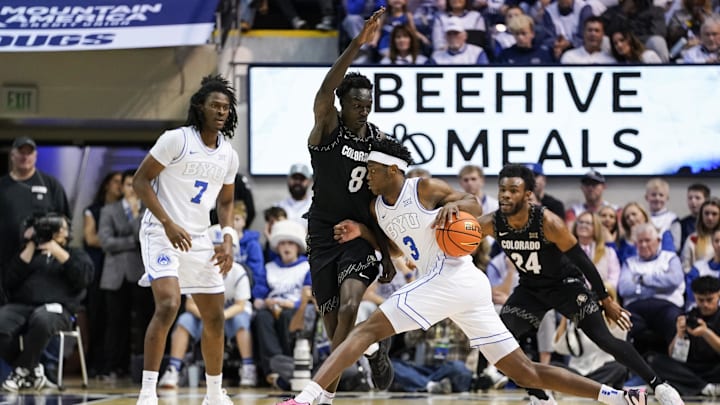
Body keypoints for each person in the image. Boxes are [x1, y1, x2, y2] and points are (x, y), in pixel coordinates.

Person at [277, 138, 648, 405]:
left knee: (365, 329)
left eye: (372, 169)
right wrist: (365, 234)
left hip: (450, 275)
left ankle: (308, 399)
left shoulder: (422, 187)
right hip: (463, 287)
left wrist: (456, 207)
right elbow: (395, 243)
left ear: (392, 168)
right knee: (524, 371)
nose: (367, 176)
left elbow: (470, 199)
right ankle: (617, 397)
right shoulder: (376, 209)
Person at [478, 164, 684, 405]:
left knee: (603, 338)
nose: (505, 195)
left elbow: (582, 260)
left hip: (566, 285)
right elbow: (462, 227)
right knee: (501, 338)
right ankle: (539, 395)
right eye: (502, 189)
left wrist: (605, 299)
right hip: (530, 288)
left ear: (527, 194)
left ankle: (659, 386)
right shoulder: (492, 222)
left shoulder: (548, 222)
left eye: (513, 190)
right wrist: (451, 211)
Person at [303, 7, 397, 403]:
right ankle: (372, 348)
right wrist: (358, 44)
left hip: (361, 234)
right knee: (334, 327)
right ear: (342, 104)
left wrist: (387, 248)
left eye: (369, 103)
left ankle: (320, 398)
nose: (364, 109)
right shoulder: (327, 127)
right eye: (357, 103)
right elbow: (325, 90)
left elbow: (399, 192)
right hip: (323, 233)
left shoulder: (380, 141)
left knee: (350, 304)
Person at [132, 74, 240, 405]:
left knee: (215, 316)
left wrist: (227, 238)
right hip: (160, 231)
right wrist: (167, 223)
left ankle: (213, 394)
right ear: (199, 107)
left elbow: (225, 202)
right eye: (215, 106)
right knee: (168, 304)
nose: (221, 112)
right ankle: (148, 392)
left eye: (226, 107)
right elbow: (140, 181)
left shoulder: (228, 155)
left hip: (198, 237)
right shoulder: (176, 140)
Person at [0, 214, 93, 392]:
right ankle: (32, 368)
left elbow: (83, 278)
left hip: (59, 308)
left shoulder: (75, 254)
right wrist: (31, 247)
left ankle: (22, 370)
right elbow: (9, 281)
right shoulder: (30, 253)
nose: (57, 231)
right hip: (24, 305)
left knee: (43, 320)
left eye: (61, 228)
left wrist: (56, 250)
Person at [158, 224, 255, 389]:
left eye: (222, 248)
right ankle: (173, 368)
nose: (218, 253)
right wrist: (210, 316)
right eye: (214, 248)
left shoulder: (238, 272)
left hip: (231, 315)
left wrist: (219, 316)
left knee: (241, 321)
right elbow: (189, 305)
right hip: (203, 315)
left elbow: (240, 305)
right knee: (184, 320)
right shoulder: (199, 271)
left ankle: (248, 367)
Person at [97, 169, 154, 379]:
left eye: (134, 185)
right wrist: (132, 241)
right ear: (122, 187)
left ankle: (139, 368)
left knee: (143, 322)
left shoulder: (147, 210)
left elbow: (146, 237)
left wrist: (136, 215)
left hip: (139, 272)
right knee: (115, 323)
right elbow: (106, 242)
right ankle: (113, 366)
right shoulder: (109, 210)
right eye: (128, 185)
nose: (132, 189)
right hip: (114, 276)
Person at [0, 136, 71, 279]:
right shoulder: (2, 185)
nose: (25, 157)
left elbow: (65, 221)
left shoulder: (51, 185)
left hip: (42, 260)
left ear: (36, 156)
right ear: (12, 155)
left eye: (29, 153)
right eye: (21, 152)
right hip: (6, 258)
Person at [253, 220, 311, 382]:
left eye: (291, 243)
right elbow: (259, 295)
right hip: (271, 307)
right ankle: (272, 366)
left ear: (298, 246)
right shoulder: (270, 267)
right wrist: (266, 302)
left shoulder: (307, 267)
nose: (286, 247)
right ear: (277, 247)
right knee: (262, 317)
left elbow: (311, 295)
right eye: (283, 243)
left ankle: (287, 363)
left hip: (296, 308)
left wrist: (294, 304)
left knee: (287, 316)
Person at [648, 276, 720, 397]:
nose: (705, 305)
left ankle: (689, 386)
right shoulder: (689, 317)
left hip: (715, 367)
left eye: (709, 300)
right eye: (701, 300)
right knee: (656, 361)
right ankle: (704, 388)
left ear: (718, 295)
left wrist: (706, 332)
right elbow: (674, 355)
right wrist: (679, 335)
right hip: (690, 369)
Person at [617, 223, 685, 352]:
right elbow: (624, 288)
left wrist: (643, 279)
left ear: (658, 241)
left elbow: (674, 280)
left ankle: (676, 365)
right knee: (624, 323)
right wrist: (659, 287)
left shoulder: (670, 258)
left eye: (647, 240)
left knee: (675, 321)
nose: (643, 245)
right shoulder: (630, 262)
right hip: (636, 309)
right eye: (640, 241)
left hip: (667, 307)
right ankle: (629, 367)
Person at [82, 170, 122, 376]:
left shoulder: (124, 210)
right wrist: (114, 242)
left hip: (116, 268)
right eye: (116, 181)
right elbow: (90, 238)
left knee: (113, 319)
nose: (120, 185)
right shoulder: (94, 210)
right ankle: (93, 363)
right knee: (95, 316)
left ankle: (113, 364)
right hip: (97, 266)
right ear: (106, 184)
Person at [645, 178, 681, 252]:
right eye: (653, 195)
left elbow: (676, 246)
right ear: (646, 197)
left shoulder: (673, 219)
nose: (657, 198)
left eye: (661, 195)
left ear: (667, 198)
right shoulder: (642, 217)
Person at [273, 163, 313, 229]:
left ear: (309, 181)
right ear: (288, 180)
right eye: (295, 178)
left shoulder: (316, 208)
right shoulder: (277, 207)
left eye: (302, 179)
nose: (297, 182)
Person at [679, 183, 710, 253]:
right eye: (690, 198)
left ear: (706, 200)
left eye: (697, 198)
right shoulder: (682, 224)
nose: (693, 201)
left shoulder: (713, 222)